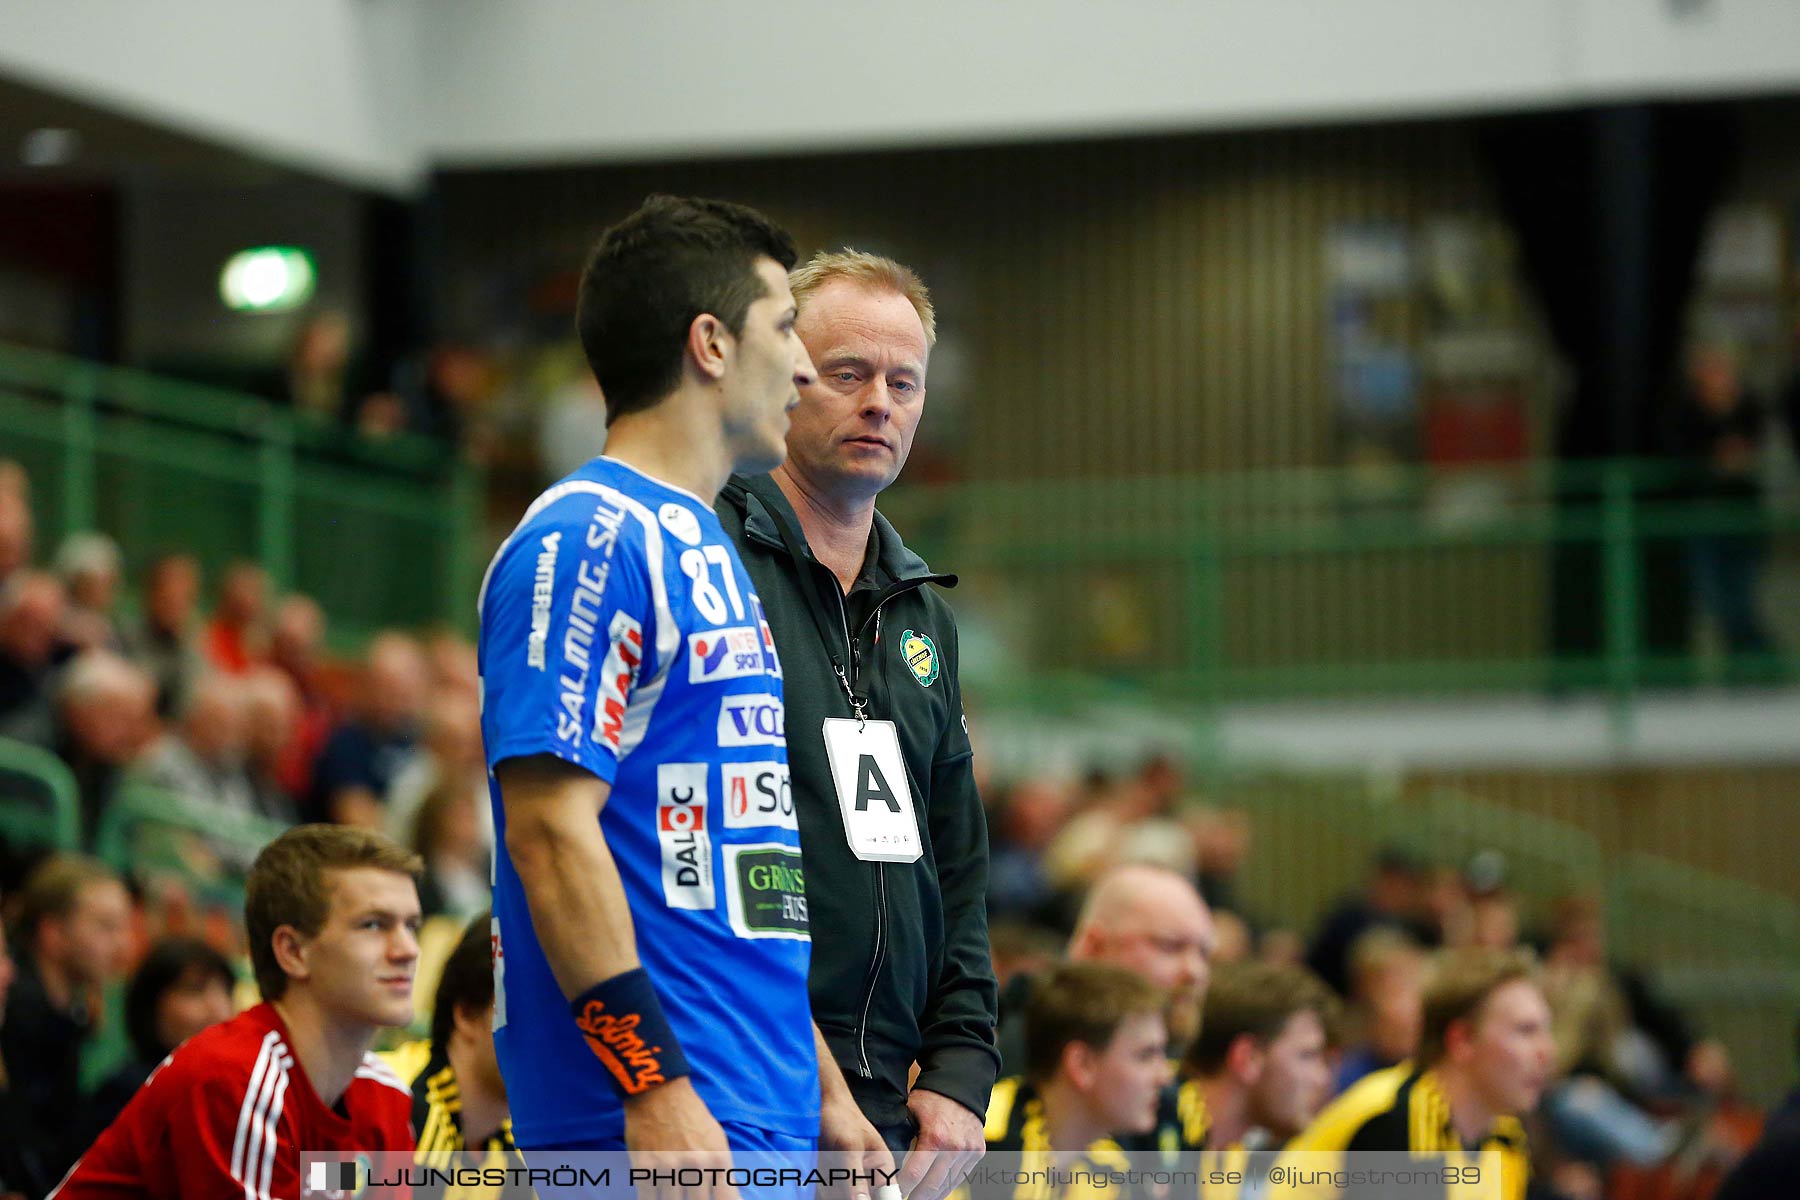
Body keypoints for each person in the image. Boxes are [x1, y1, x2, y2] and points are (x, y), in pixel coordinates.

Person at [478, 194, 855, 1183]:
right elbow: (550, 831)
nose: (806, 367)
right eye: (785, 328)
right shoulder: (589, 533)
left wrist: (823, 1090)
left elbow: (736, 870)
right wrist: (651, 1085)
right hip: (645, 1124)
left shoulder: (708, 544)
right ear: (710, 344)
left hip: (758, 1109)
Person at [715, 249, 998, 1191]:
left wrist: (961, 1071)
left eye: (903, 381)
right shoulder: (706, 564)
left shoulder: (922, 613)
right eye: (849, 374)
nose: (880, 402)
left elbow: (954, 863)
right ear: (788, 376)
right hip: (748, 1083)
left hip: (897, 1104)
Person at [50, 824, 420, 1200]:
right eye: (373, 925)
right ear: (293, 951)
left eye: (412, 926)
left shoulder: (383, 1096)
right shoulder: (233, 1079)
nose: (408, 949)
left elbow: (338, 1180)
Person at [1282, 947, 1553, 1200]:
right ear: (1462, 1041)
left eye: (1545, 1030)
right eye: (1525, 1031)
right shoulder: (1396, 1119)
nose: (1547, 1050)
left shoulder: (1504, 1135)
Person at [976, 963, 1171, 1200]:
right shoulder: (978, 1142)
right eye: (1146, 1055)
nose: (1165, 1076)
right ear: (1082, 1064)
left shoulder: (1112, 1165)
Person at [997, 864, 1216, 1075]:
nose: (1195, 971)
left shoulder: (1193, 1062)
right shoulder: (1020, 1057)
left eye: (1204, 953)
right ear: (1094, 947)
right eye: (1170, 946)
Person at [0, 855, 132, 1187]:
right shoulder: (14, 1014)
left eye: (123, 927)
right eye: (105, 926)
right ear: (53, 933)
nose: (121, 944)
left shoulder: (71, 1012)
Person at [383, 912, 529, 1200]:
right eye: (535, 1014)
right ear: (466, 1014)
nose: (556, 1043)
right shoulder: (380, 1096)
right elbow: (320, 1177)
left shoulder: (526, 1151)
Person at [1170, 961, 1338, 1196]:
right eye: (1307, 1056)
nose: (1321, 1079)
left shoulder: (1231, 1155)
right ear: (1248, 1058)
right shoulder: (1158, 1144)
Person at [82, 936, 239, 1142]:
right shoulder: (127, 1094)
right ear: (152, 1008)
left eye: (224, 991)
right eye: (195, 990)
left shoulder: (236, 1089)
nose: (218, 1007)